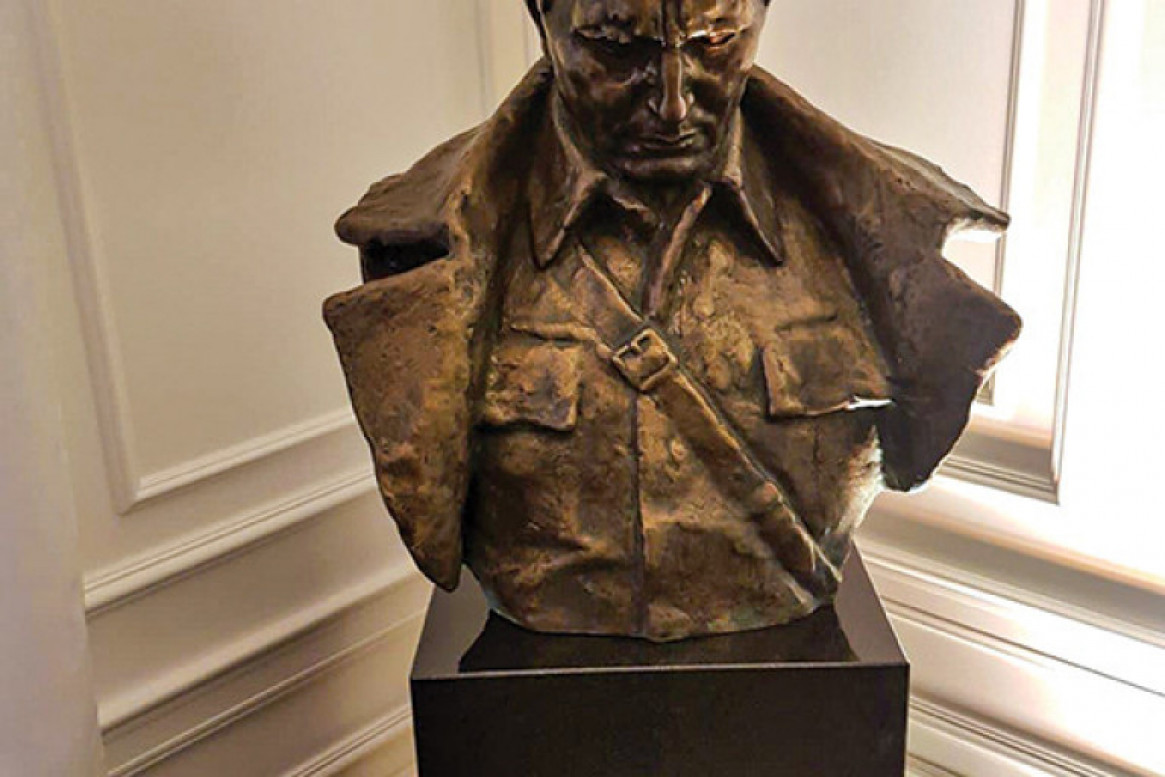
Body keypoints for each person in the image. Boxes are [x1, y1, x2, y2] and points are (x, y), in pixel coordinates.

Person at [324, 0, 1021, 641]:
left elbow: (909, 445)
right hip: (537, 637)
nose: (672, 103)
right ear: (541, 15)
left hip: (783, 645)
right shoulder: (424, 245)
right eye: (613, 45)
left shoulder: (885, 237)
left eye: (714, 40)